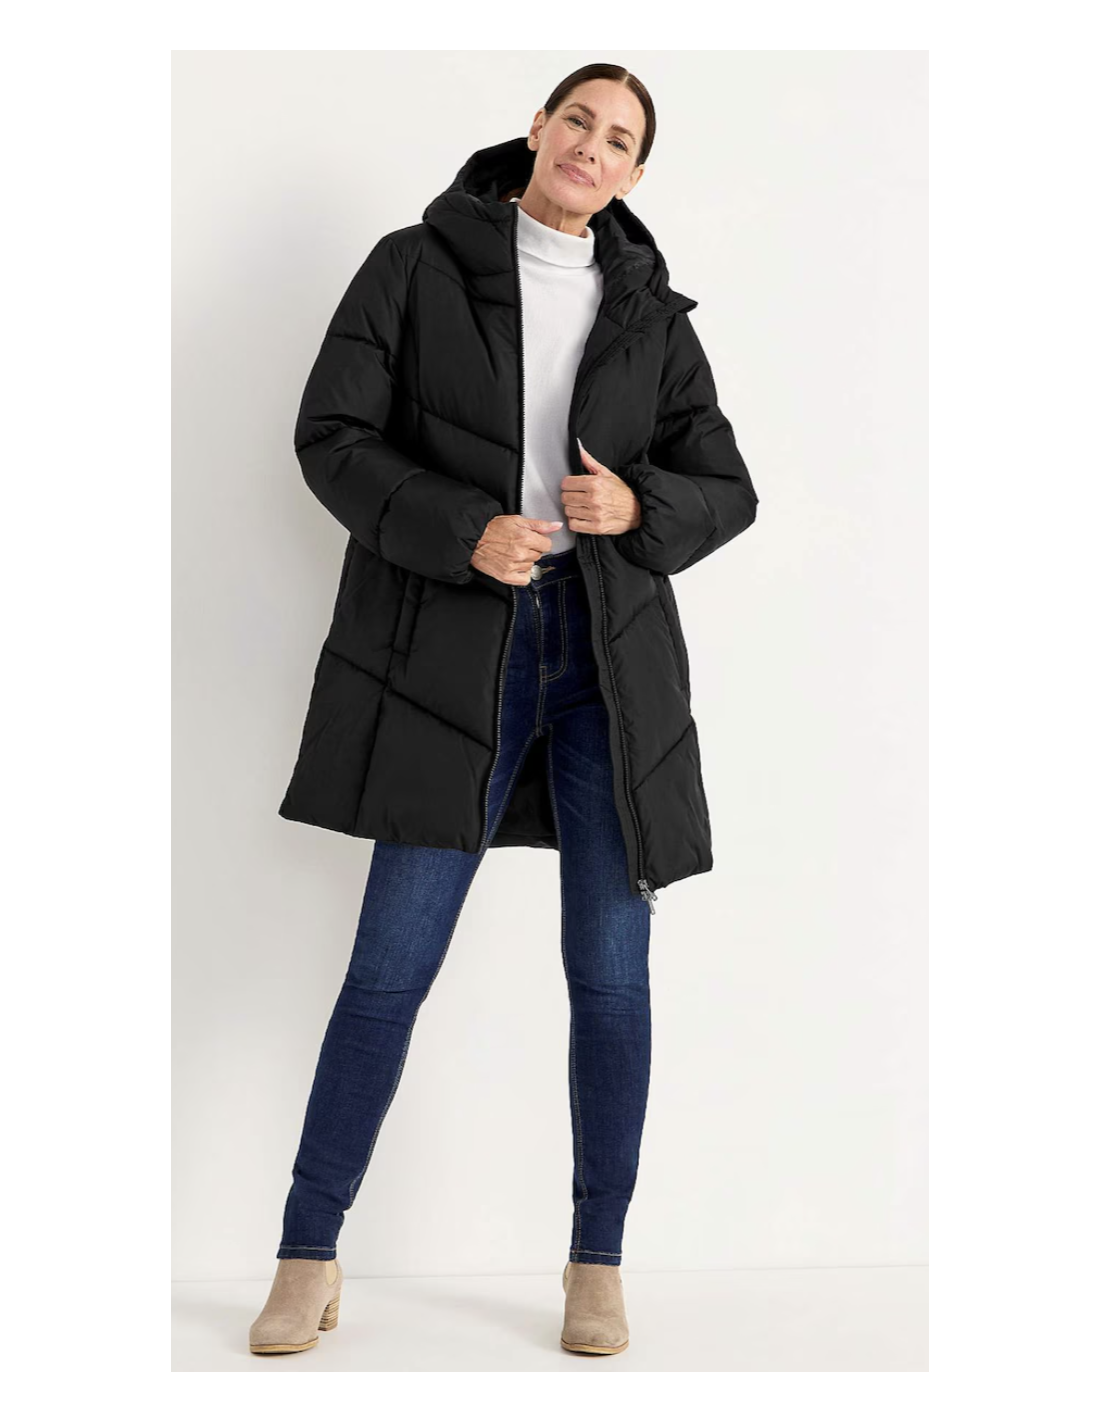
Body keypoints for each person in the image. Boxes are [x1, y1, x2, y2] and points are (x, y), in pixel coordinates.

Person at [250, 62, 759, 1358]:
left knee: (612, 976)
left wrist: (639, 505)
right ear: (536, 129)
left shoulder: (650, 312)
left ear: (635, 174)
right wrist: (462, 527)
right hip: (450, 653)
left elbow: (725, 484)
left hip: (609, 665)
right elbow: (330, 435)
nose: (593, 145)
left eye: (620, 138)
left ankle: (598, 1262)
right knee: (388, 968)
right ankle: (308, 1250)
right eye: (578, 120)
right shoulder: (413, 265)